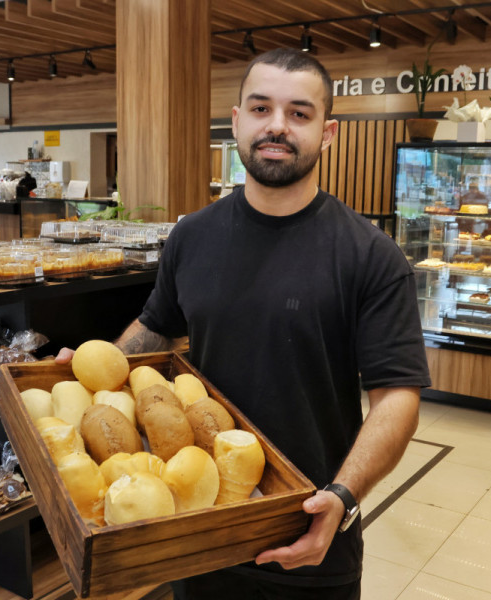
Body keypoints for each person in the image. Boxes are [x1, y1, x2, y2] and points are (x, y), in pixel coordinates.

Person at [58, 48, 431, 599]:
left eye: (299, 113)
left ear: (327, 133)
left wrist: (344, 496)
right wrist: (88, 374)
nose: (277, 125)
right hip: (198, 526)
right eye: (261, 108)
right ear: (236, 122)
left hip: (308, 535)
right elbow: (157, 326)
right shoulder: (192, 236)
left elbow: (397, 396)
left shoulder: (370, 255)